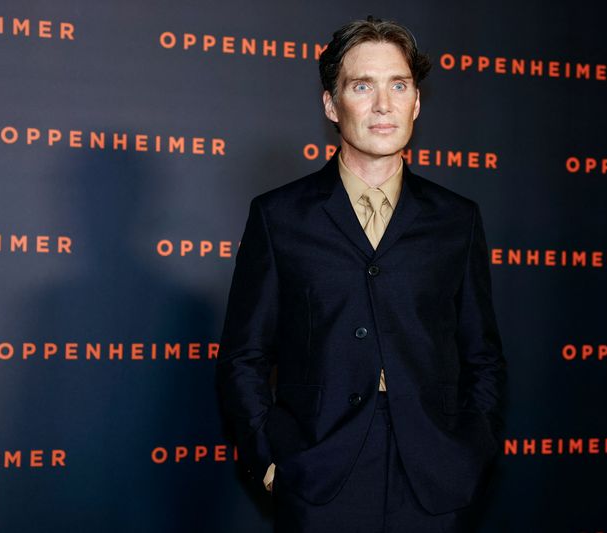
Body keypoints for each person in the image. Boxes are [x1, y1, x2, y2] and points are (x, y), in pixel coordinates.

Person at [216, 15, 506, 532]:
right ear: (331, 104)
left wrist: (471, 450)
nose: (383, 104)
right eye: (361, 85)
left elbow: (482, 355)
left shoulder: (456, 218)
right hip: (318, 476)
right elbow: (244, 356)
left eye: (398, 85)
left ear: (416, 102)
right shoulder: (280, 216)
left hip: (435, 479)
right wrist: (268, 462)